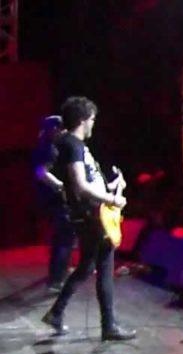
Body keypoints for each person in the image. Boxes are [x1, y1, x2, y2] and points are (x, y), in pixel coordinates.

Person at [41, 97, 136, 341]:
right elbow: (81, 185)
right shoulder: (72, 146)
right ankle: (108, 326)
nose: (94, 124)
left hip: (91, 213)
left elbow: (88, 182)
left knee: (88, 266)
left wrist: (112, 186)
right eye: (92, 119)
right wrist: (112, 199)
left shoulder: (75, 146)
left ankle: (57, 313)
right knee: (103, 266)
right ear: (83, 120)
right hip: (90, 216)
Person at [33, 115, 73, 291]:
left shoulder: (46, 146)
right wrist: (62, 186)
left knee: (62, 238)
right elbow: (41, 172)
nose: (65, 132)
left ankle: (60, 273)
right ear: (55, 129)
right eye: (62, 128)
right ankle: (57, 280)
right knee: (64, 239)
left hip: (53, 200)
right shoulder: (50, 149)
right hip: (57, 200)